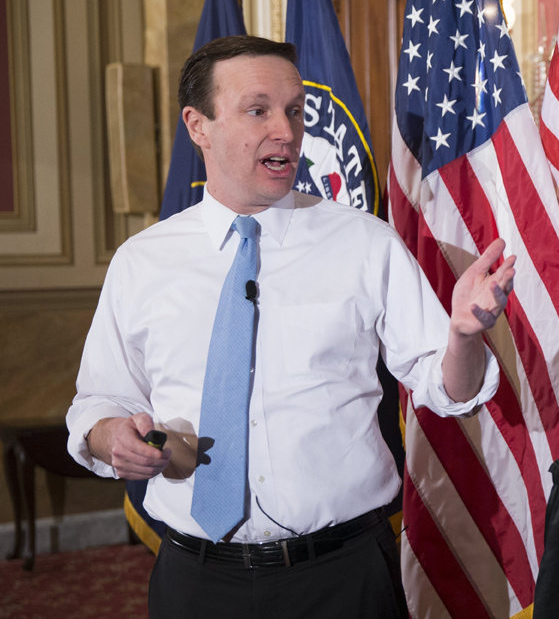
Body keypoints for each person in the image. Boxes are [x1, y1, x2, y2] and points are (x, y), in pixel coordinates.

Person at [66, 35, 515, 618]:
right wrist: (113, 438)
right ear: (198, 124)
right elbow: (97, 401)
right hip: (196, 582)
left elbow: (448, 390)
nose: (286, 129)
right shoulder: (141, 262)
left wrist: (461, 337)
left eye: (296, 111)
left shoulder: (365, 244)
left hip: (342, 577)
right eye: (258, 110)